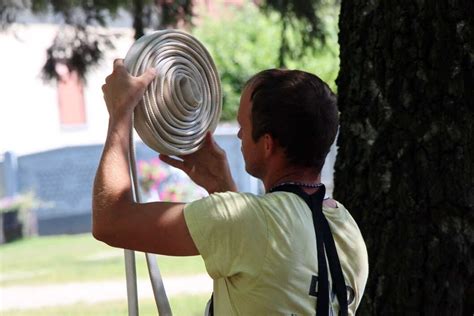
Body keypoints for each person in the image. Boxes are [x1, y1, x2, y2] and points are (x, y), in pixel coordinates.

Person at [93, 59, 369, 315]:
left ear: (267, 144)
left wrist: (121, 113)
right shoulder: (347, 230)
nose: (238, 135)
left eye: (243, 126)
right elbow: (274, 277)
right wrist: (223, 189)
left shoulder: (247, 222)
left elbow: (111, 222)